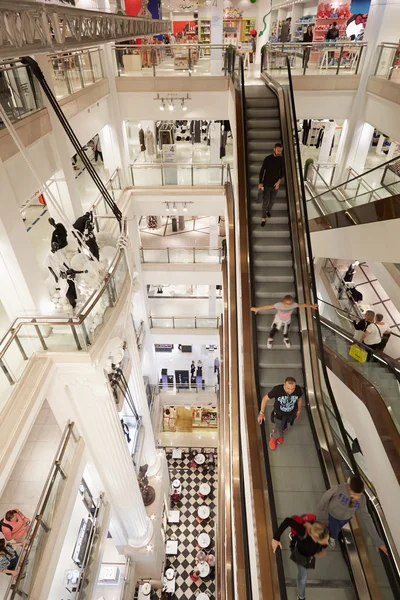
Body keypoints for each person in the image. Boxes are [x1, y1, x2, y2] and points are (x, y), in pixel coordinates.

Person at [318, 475, 388, 554]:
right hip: (334, 514)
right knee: (334, 529)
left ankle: (332, 531)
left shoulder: (362, 499)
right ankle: (332, 538)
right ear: (349, 488)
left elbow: (367, 518)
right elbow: (325, 498)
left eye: (359, 495)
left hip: (346, 518)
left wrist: (377, 541)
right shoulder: (338, 489)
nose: (356, 497)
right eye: (354, 494)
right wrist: (321, 511)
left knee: (337, 527)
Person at [272, 517, 329, 600]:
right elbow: (288, 521)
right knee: (303, 577)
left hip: (308, 553)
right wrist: (276, 538)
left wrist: (322, 550)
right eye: (325, 541)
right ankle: (301, 597)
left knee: (303, 576)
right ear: (315, 538)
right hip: (301, 555)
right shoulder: (303, 532)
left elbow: (324, 542)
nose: (327, 542)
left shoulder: (322, 532)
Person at [251, 294, 318, 349]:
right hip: (278, 320)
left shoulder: (293, 304)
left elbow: (302, 305)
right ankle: (270, 339)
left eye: (290, 304)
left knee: (285, 331)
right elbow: (268, 306)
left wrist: (311, 306)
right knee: (274, 330)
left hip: (287, 320)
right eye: (286, 304)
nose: (288, 305)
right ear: (283, 302)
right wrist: (257, 309)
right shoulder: (279, 305)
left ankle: (285, 339)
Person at [257, 376, 303, 450]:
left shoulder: (298, 390)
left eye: (292, 389)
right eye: (288, 388)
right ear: (284, 385)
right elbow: (265, 399)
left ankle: (279, 433)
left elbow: (299, 400)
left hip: (291, 414)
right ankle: (273, 437)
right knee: (279, 426)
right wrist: (261, 412)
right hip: (279, 414)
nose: (290, 391)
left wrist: (298, 411)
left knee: (284, 425)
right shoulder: (277, 390)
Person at [258, 143, 284, 227]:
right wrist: (260, 182)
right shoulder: (268, 159)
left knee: (272, 201)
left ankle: (267, 210)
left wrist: (278, 181)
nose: (279, 152)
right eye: (278, 150)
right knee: (265, 202)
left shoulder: (281, 159)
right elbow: (262, 170)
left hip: (275, 185)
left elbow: (282, 171)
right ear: (274, 149)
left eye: (280, 151)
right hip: (266, 184)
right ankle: (263, 218)